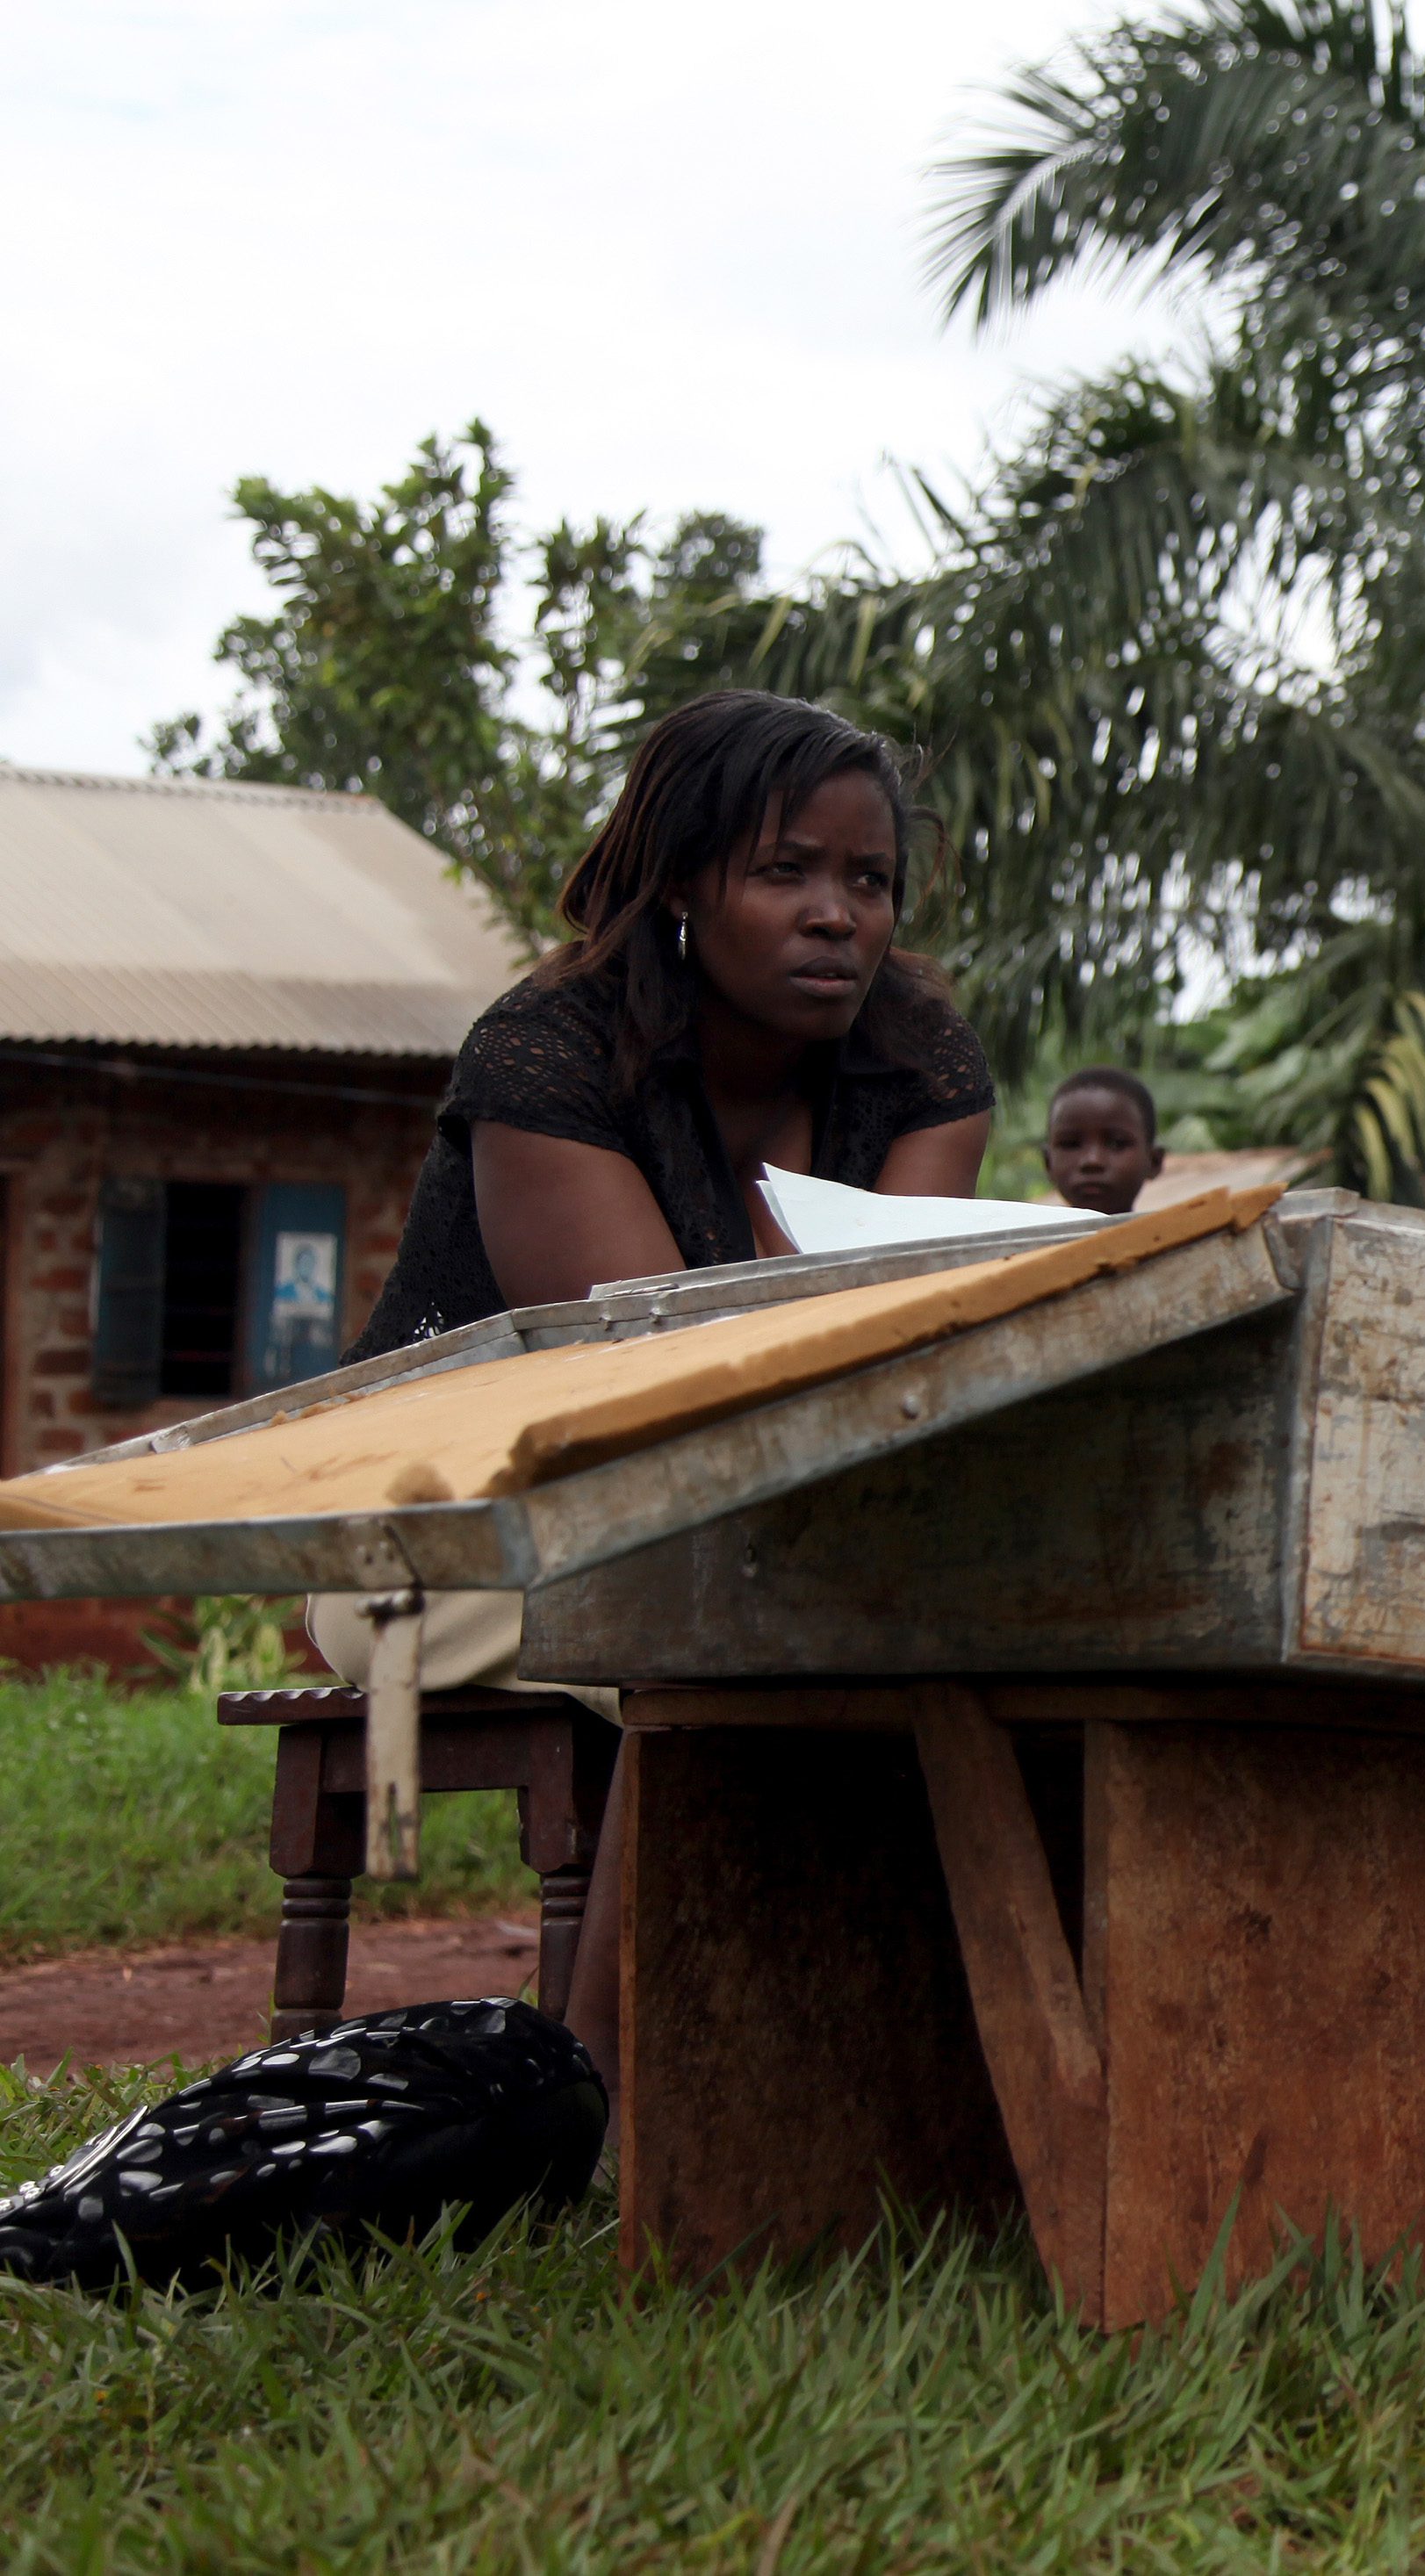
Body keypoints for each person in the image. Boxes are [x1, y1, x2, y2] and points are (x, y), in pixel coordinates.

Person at [323, 688, 996, 2076]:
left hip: (755, 1515)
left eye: (867, 879)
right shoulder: (546, 1053)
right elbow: (654, 1387)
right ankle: (616, 2081)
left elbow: (911, 1346)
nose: (838, 914)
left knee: (902, 1597)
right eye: (785, 870)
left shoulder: (917, 1060)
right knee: (729, 1606)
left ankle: (895, 2058)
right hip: (440, 1525)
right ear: (686, 880)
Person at [1043, 1066, 1167, 1214]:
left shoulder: (1178, 1236)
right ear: (1048, 1162)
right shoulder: (1023, 1237)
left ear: (1154, 1161)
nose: (1092, 1161)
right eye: (1071, 1144)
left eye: (1116, 1143)